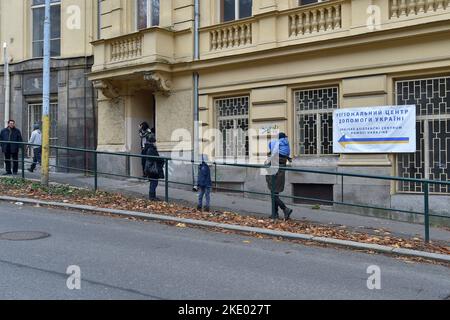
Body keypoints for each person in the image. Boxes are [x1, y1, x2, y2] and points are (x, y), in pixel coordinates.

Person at [265, 132, 293, 220]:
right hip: (281, 168)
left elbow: (271, 147)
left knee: (273, 194)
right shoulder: (286, 145)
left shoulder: (276, 143)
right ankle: (275, 213)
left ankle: (285, 209)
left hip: (274, 169)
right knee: (275, 193)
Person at [143, 136, 165, 201]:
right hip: (153, 169)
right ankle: (152, 197)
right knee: (154, 182)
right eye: (155, 142)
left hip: (149, 168)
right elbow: (155, 158)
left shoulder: (147, 148)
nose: (156, 143)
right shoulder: (151, 149)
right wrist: (162, 160)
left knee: (153, 182)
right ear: (153, 142)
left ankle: (152, 196)